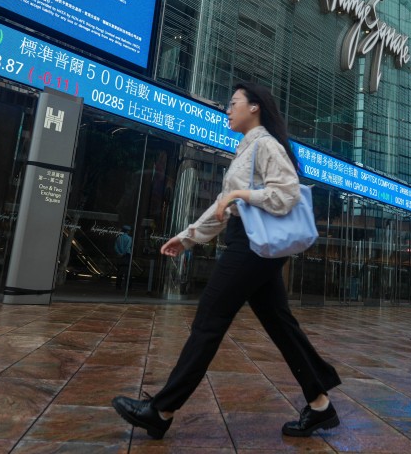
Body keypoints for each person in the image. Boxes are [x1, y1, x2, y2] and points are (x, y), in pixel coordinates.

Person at [112, 82, 341, 440]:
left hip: (253, 244)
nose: (227, 110)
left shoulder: (265, 144)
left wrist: (239, 193)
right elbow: (222, 207)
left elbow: (287, 193)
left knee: (209, 319)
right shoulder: (245, 149)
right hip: (250, 242)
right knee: (280, 324)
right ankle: (320, 405)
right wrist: (186, 237)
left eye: (233, 103)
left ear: (255, 107)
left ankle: (162, 410)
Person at [115, 225, 133, 290]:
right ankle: (128, 287)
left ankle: (118, 286)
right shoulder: (129, 238)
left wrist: (119, 253)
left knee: (119, 271)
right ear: (128, 231)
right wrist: (123, 253)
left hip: (119, 256)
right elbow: (128, 247)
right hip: (127, 255)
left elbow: (115, 247)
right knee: (128, 272)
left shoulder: (119, 238)